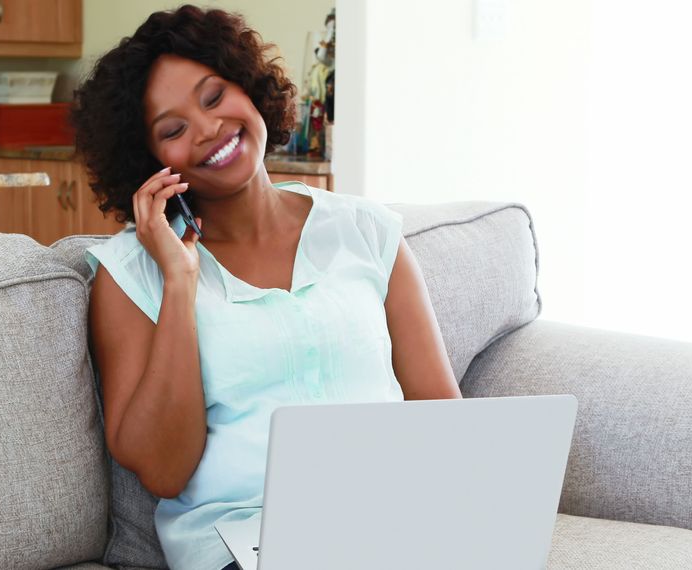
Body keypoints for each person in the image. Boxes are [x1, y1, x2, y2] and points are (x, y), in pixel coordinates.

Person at [71, 6, 462, 570]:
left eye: (214, 97)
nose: (207, 130)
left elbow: (443, 423)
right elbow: (163, 468)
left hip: (393, 529)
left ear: (250, 89)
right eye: (173, 130)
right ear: (150, 160)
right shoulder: (130, 273)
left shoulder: (367, 233)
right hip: (244, 547)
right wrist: (180, 284)